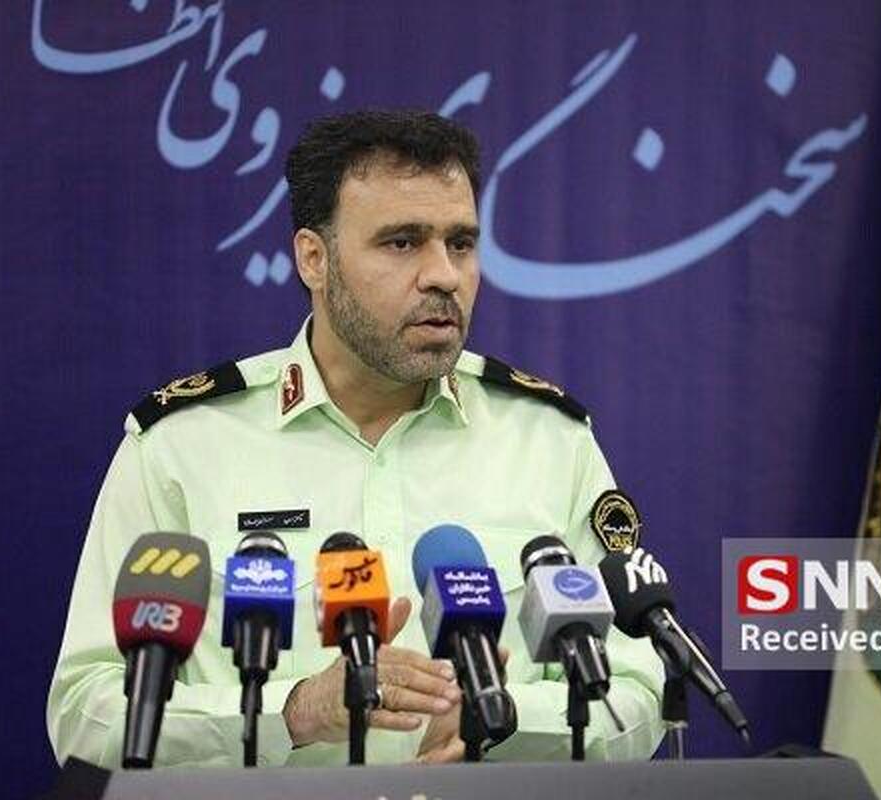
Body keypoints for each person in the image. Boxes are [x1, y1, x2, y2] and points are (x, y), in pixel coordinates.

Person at [47, 110, 665, 768]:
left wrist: (502, 715)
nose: (444, 275)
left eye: (460, 243)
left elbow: (639, 692)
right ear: (313, 259)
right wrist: (290, 712)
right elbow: (85, 714)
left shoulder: (549, 442)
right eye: (402, 242)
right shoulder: (183, 448)